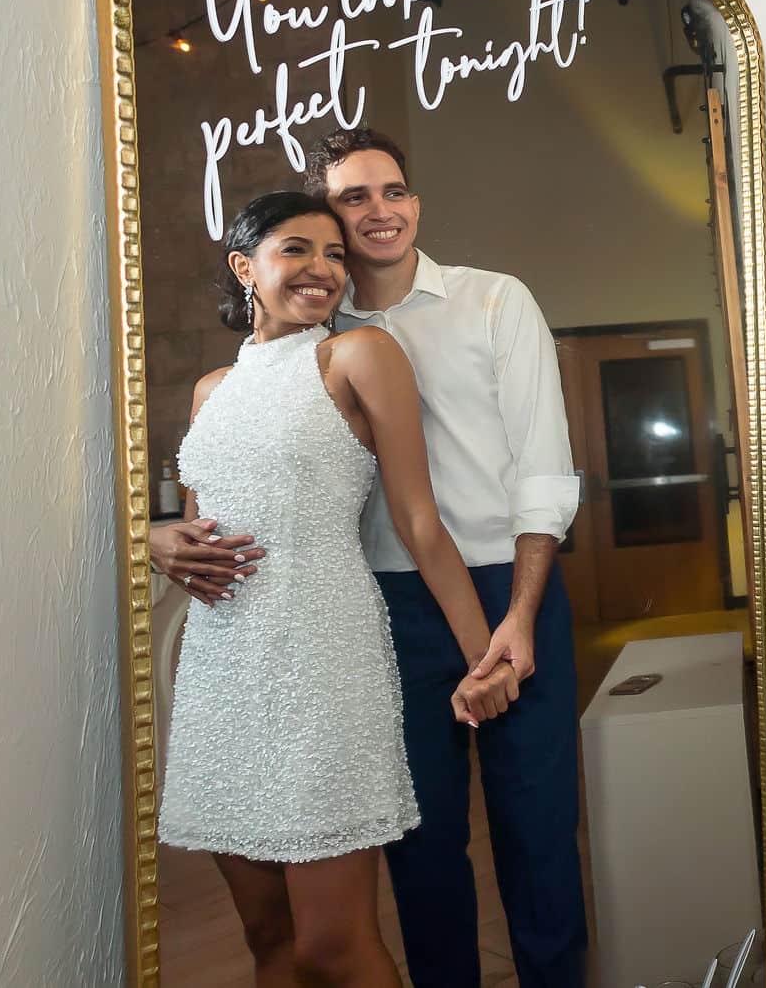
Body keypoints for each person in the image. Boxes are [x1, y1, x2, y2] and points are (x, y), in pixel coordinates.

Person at [157, 190, 518, 986]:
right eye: (298, 250)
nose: (323, 269)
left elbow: (421, 522)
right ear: (244, 266)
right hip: (222, 676)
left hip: (322, 667)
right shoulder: (211, 391)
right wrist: (152, 540)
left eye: (333, 254)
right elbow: (195, 531)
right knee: (267, 937)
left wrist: (481, 656)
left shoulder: (358, 357)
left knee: (333, 945)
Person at [312, 127, 587, 988]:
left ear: (416, 203)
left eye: (391, 191)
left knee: (537, 831)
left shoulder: (495, 301)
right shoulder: (312, 337)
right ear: (331, 216)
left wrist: (521, 613)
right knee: (422, 844)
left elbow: (544, 470)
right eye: (354, 197)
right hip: (385, 609)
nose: (379, 210)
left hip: (513, 587)